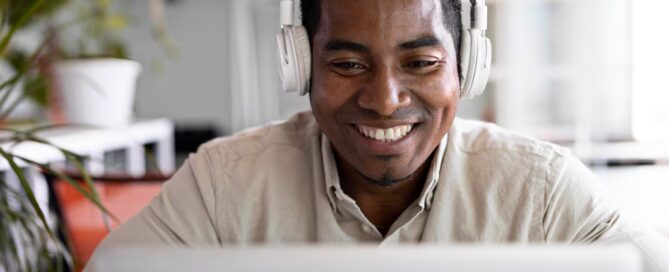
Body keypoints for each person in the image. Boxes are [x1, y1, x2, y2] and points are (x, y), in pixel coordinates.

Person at [87, 0, 668, 271]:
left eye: (420, 63)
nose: (385, 100)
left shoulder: (538, 190)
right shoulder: (223, 184)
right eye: (347, 65)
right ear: (301, 67)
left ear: (466, 66)